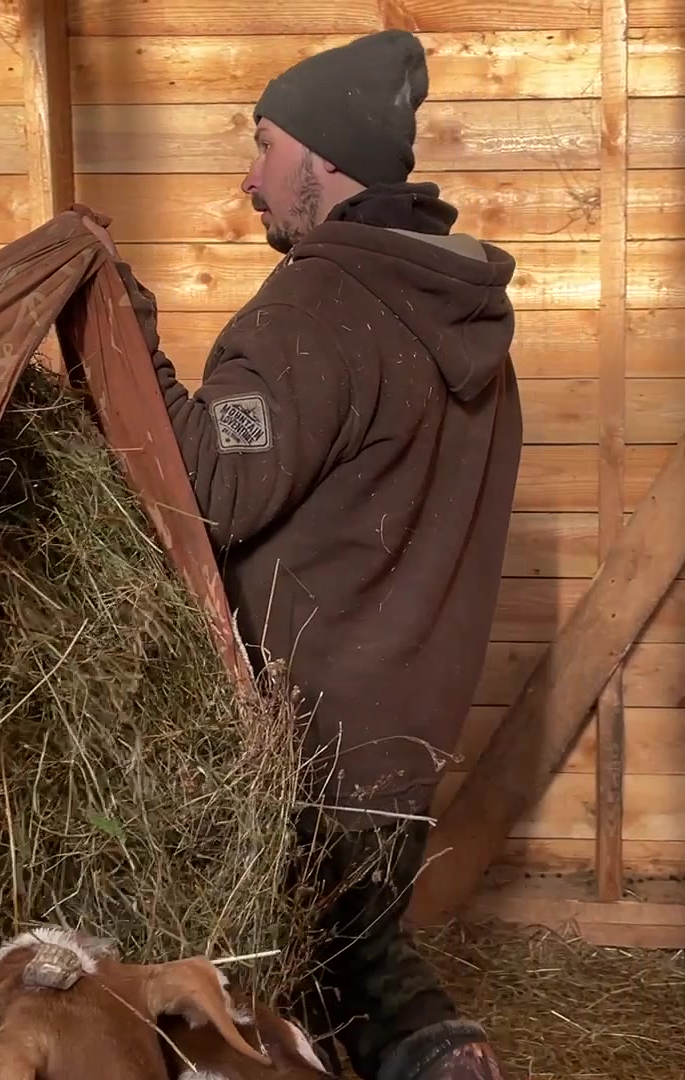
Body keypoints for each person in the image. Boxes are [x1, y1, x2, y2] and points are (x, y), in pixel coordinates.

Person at [109, 28, 521, 1080]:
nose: (251, 180)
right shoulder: (452, 312)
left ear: (323, 160)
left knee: (313, 993)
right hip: (403, 738)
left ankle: (439, 1059)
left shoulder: (321, 308)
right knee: (353, 974)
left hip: (305, 741)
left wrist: (124, 331)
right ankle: (442, 1052)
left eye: (265, 147)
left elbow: (206, 483)